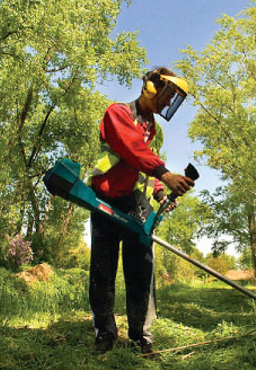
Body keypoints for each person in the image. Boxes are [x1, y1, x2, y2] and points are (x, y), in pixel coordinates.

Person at [87, 66, 194, 355]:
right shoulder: (117, 113)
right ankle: (105, 335)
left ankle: (141, 338)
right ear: (151, 87)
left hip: (137, 205)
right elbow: (133, 150)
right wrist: (166, 172)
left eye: (174, 99)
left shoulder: (154, 129)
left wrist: (161, 193)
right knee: (102, 272)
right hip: (105, 201)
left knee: (141, 272)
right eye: (169, 95)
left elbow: (147, 166)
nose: (170, 103)